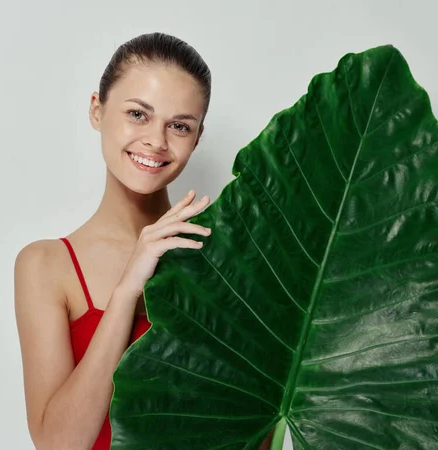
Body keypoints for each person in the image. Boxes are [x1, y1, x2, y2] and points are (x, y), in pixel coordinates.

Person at [14, 32, 273, 450]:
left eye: (179, 126)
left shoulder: (231, 262)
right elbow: (58, 444)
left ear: (198, 137)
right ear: (97, 110)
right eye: (138, 114)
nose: (157, 140)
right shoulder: (45, 265)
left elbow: (252, 428)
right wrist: (128, 288)